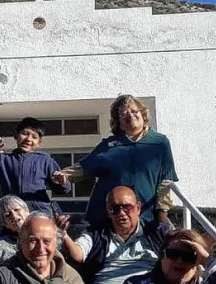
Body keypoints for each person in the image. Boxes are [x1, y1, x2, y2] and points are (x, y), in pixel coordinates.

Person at [61, 186, 216, 284]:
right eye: (114, 208)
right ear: (108, 211)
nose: (121, 213)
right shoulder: (95, 232)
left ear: (138, 208)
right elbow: (78, 254)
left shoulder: (156, 231)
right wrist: (63, 234)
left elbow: (190, 247)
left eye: (126, 207)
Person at [54, 95, 177, 229]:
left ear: (143, 114)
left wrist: (162, 211)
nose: (130, 115)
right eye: (123, 113)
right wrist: (62, 176)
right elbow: (83, 168)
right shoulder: (109, 145)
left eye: (134, 111)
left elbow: (165, 180)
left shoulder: (159, 142)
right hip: (107, 217)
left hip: (145, 216)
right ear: (118, 121)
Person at [0, 117, 71, 217]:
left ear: (39, 142)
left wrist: (63, 182)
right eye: (24, 134)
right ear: (16, 135)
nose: (28, 139)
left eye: (34, 137)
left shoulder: (45, 161)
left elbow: (63, 190)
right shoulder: (3, 160)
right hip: (12, 214)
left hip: (39, 214)